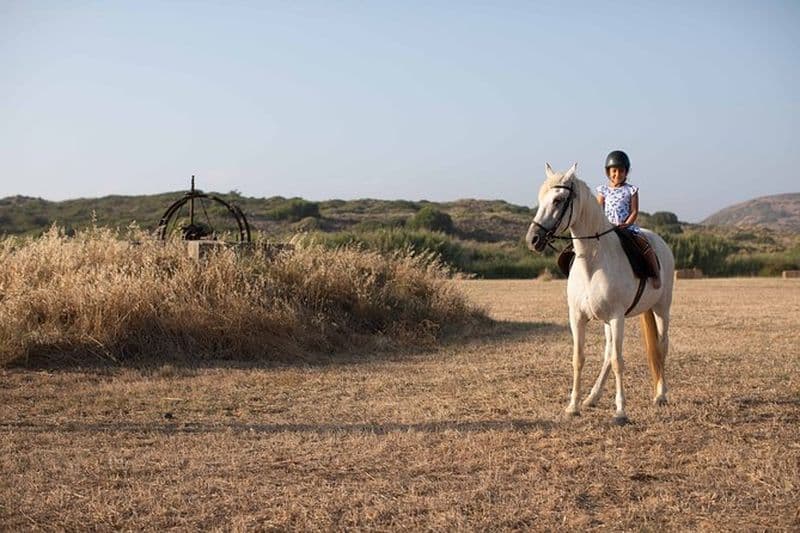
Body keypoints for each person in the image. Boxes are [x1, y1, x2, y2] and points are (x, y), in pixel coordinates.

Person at [596, 150, 661, 289]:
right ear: (608, 172)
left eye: (621, 171)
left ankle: (655, 274)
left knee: (645, 245)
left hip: (626, 227)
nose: (617, 174)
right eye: (614, 171)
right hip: (607, 228)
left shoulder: (631, 190)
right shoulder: (603, 191)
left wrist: (627, 224)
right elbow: (598, 210)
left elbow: (634, 211)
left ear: (626, 172)